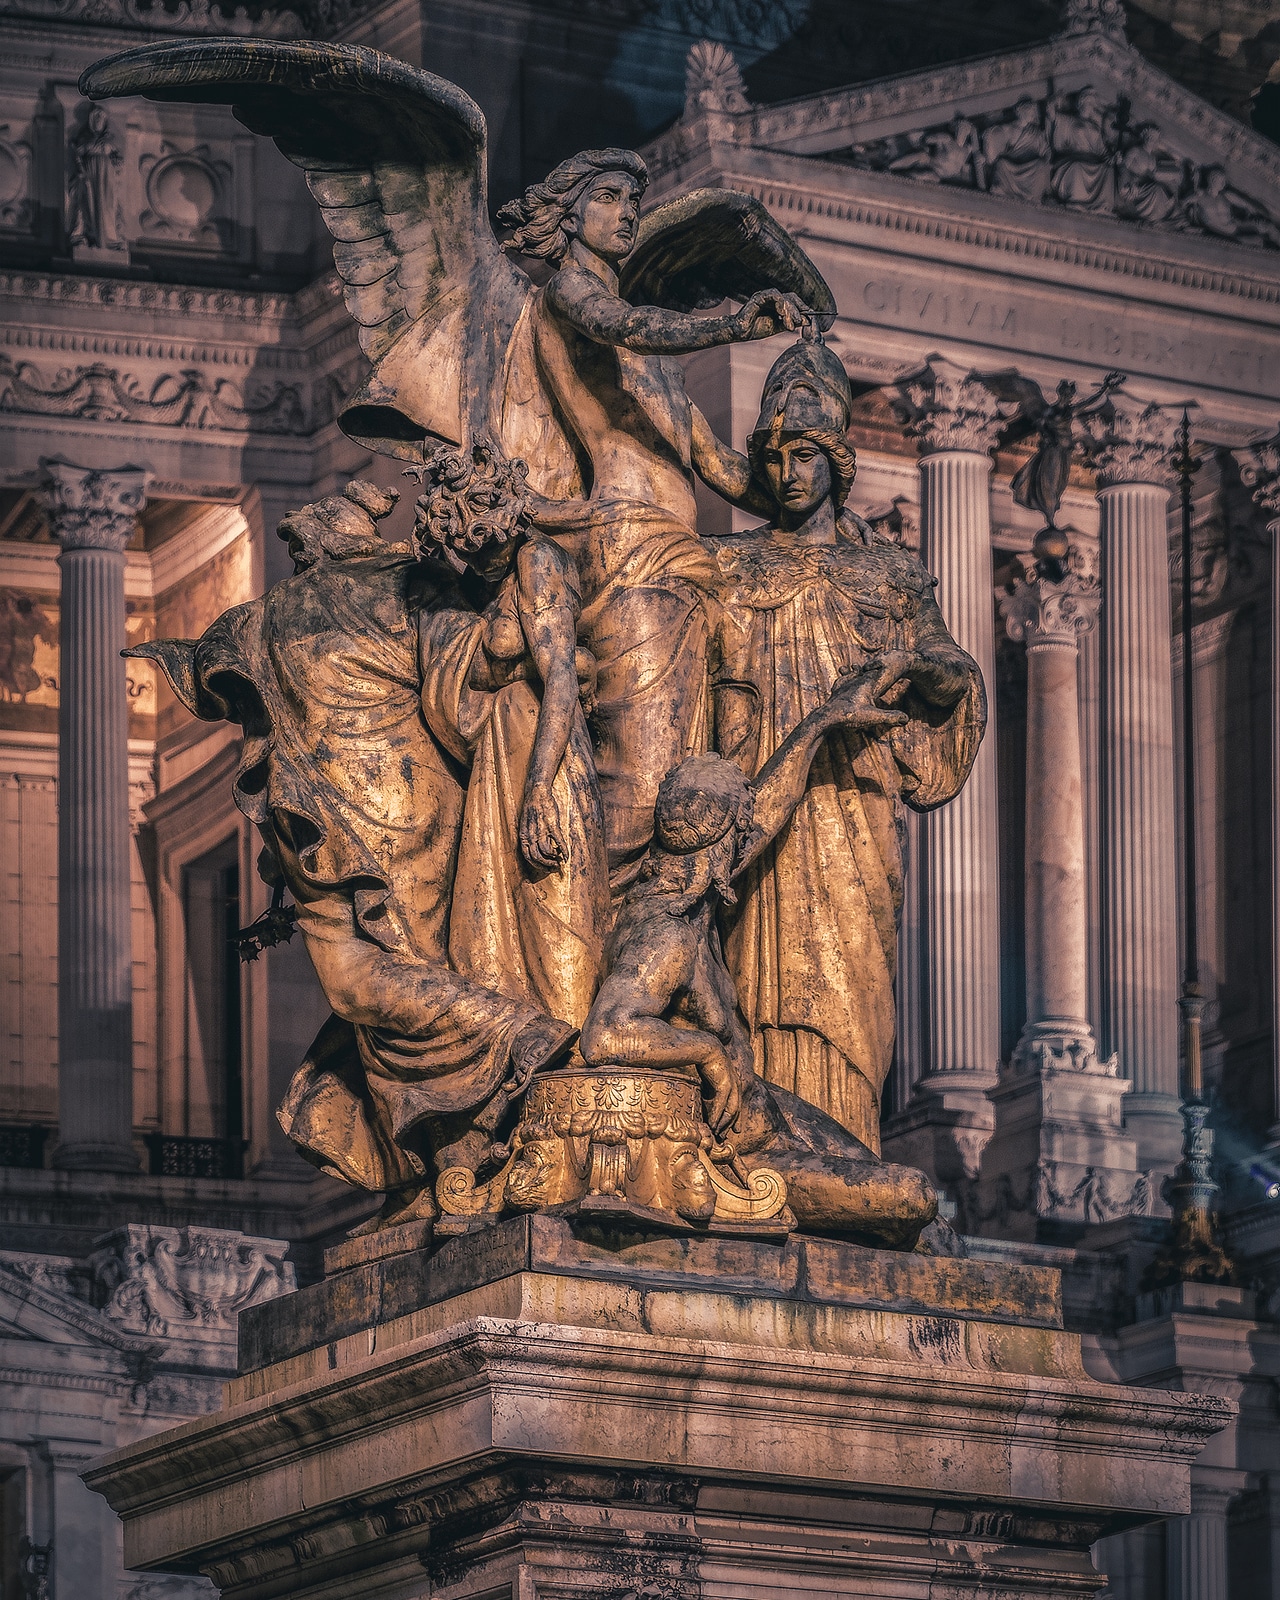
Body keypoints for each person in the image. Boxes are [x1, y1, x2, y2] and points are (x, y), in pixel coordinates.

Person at [128, 481, 575, 1231]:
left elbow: (210, 682)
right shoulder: (398, 592)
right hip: (388, 815)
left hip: (345, 822)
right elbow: (477, 681)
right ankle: (491, 1077)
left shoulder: (271, 616)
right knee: (392, 976)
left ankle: (480, 1104)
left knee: (370, 984)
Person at [498, 148, 811, 892]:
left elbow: (719, 466)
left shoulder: (652, 364)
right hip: (627, 545)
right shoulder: (569, 297)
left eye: (632, 199)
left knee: (703, 768)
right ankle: (587, 952)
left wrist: (811, 479)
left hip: (688, 556)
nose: (626, 210)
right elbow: (633, 321)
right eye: (608, 196)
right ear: (569, 214)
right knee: (640, 789)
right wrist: (732, 325)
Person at [706, 338, 984, 1151]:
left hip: (855, 813)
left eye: (806, 455)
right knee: (755, 984)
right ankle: (767, 1152)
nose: (790, 472)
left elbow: (952, 674)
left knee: (849, 989)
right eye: (777, 456)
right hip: (762, 807)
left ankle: (849, 1156)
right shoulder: (727, 568)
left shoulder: (893, 579)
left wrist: (919, 668)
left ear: (837, 461)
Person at [579, 732, 938, 1249]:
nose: (749, 843)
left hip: (770, 1109)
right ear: (722, 841)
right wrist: (704, 1050)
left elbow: (767, 811)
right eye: (740, 834)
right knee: (915, 1200)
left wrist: (820, 723)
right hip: (741, 1157)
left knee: (935, 1228)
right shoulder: (669, 928)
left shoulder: (693, 910)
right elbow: (605, 1033)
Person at [410, 439, 610, 1032]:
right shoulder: (479, 584)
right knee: (486, 950)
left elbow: (562, 682)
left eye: (481, 535)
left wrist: (540, 792)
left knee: (564, 950)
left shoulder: (537, 562)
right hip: (498, 770)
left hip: (546, 768)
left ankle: (577, 1100)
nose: (474, 552)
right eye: (462, 543)